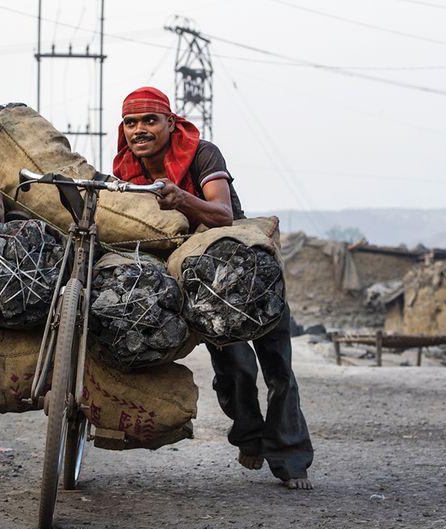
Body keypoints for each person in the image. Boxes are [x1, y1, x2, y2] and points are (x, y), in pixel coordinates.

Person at [112, 86, 313, 489]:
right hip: (204, 287)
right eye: (131, 123)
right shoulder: (125, 171)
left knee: (278, 370)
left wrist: (182, 199)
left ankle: (291, 460)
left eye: (150, 121)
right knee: (235, 369)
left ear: (170, 123)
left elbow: (221, 214)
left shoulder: (202, 153)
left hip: (249, 274)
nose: (140, 131)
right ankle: (251, 438)